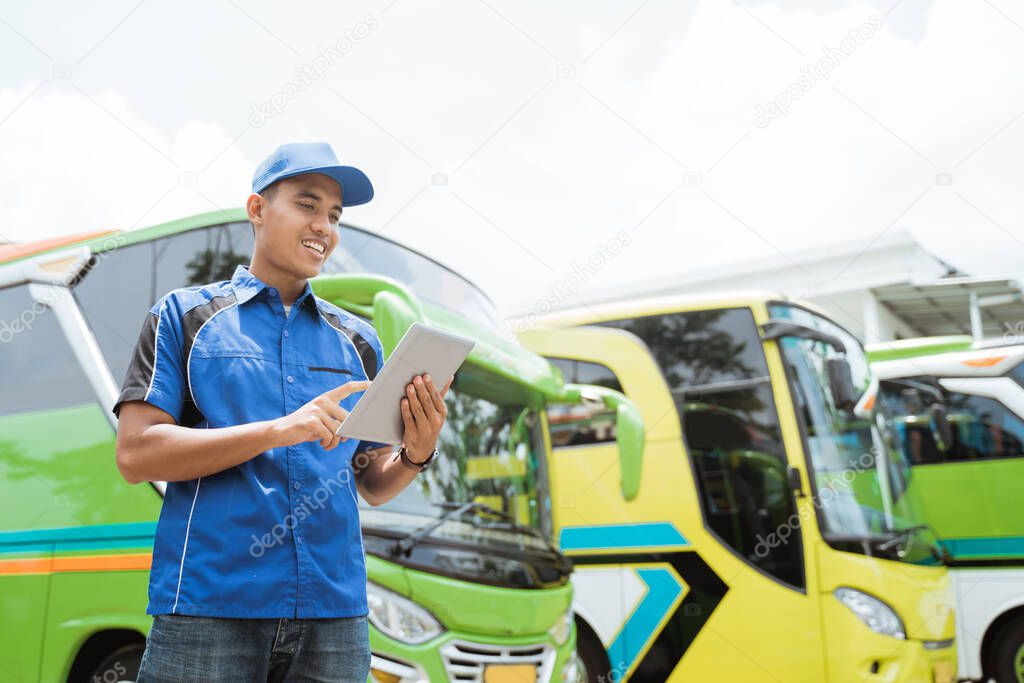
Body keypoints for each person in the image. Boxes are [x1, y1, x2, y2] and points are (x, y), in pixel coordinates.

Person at [113, 141, 449, 682]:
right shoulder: (184, 316)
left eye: (335, 216)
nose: (325, 226)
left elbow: (371, 481)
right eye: (308, 204)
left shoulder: (358, 341)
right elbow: (136, 454)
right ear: (257, 209)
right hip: (210, 606)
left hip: (334, 615)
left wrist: (417, 450)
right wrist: (277, 430)